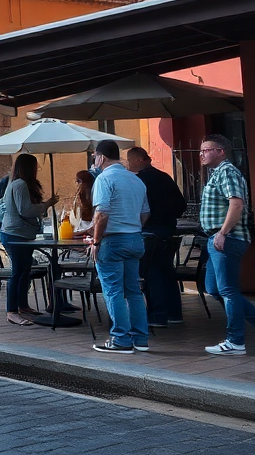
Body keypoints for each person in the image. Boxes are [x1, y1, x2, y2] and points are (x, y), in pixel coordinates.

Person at [199, 135, 255, 357]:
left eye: (206, 150)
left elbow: (236, 204)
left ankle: (235, 341)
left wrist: (222, 233)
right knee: (215, 289)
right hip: (217, 239)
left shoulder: (228, 171)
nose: (201, 154)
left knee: (227, 290)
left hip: (227, 238)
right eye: (201, 150)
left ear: (221, 152)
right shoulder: (216, 173)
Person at [87, 140, 151, 354]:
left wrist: (96, 241)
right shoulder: (136, 180)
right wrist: (131, 227)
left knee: (113, 291)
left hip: (113, 240)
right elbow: (145, 213)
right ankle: (140, 338)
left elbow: (102, 213)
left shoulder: (104, 179)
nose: (94, 161)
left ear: (101, 157)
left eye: (94, 156)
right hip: (135, 237)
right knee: (133, 290)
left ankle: (121, 339)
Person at [126, 147, 187, 329]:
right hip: (169, 232)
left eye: (129, 161)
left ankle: (157, 316)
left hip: (150, 233)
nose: (128, 165)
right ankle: (175, 314)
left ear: (138, 160)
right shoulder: (165, 177)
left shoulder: (138, 181)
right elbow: (181, 206)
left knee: (151, 273)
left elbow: (138, 210)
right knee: (167, 271)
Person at [0, 154, 57, 326]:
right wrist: (46, 205)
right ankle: (12, 311)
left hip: (23, 234)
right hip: (14, 234)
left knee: (25, 270)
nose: (37, 170)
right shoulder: (19, 184)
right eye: (35, 166)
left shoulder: (20, 184)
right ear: (28, 168)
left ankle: (22, 306)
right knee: (17, 272)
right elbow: (25, 210)